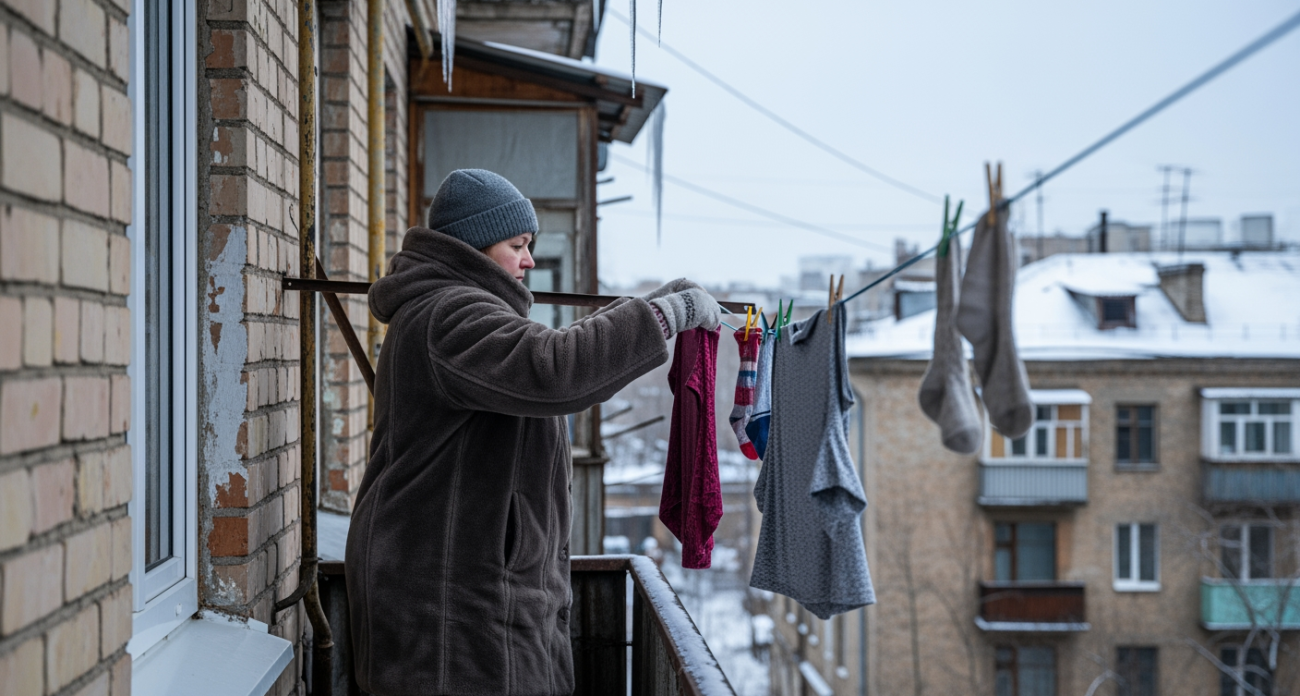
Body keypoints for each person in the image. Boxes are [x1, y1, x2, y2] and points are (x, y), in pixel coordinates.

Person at [345, 169, 719, 695]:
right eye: (517, 245)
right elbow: (555, 369)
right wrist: (665, 314)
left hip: (474, 601)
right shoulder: (447, 316)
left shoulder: (457, 312)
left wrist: (665, 299)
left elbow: (548, 357)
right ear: (474, 249)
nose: (529, 260)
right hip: (451, 616)